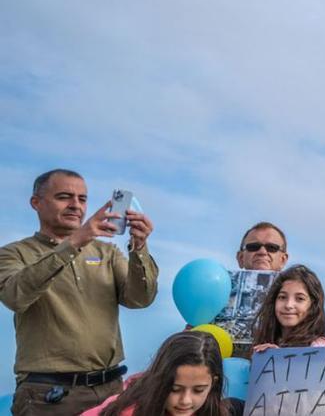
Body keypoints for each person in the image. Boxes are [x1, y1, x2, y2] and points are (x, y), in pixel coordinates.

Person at [0, 169, 158, 415]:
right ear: (36, 203)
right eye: (64, 197)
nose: (76, 205)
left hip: (110, 391)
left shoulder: (107, 253)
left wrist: (139, 247)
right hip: (48, 397)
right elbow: (15, 297)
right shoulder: (14, 253)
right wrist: (74, 242)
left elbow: (140, 299)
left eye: (82, 199)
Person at [83, 330, 231, 416]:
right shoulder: (131, 411)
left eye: (198, 390)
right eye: (174, 389)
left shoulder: (213, 411)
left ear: (214, 382)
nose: (185, 400)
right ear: (160, 381)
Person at [213, 222, 289, 358]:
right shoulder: (215, 289)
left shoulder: (298, 296)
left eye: (272, 248)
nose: (262, 252)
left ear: (283, 259)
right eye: (253, 247)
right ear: (240, 258)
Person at [251, 265, 325, 353]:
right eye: (282, 297)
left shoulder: (318, 347)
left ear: (313, 305)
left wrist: (279, 357)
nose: (288, 305)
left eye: (300, 299)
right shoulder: (263, 343)